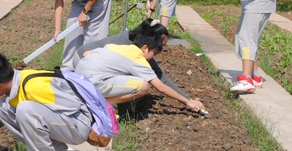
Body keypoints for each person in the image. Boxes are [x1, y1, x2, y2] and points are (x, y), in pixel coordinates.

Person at [74, 31, 205, 112]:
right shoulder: (138, 59)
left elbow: (86, 53)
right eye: (154, 53)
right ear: (145, 47)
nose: (153, 57)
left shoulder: (121, 47)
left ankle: (94, 98)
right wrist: (187, 101)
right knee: (143, 86)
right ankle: (102, 105)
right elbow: (161, 87)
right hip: (92, 82)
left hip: (78, 78)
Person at [73, 19, 190, 100]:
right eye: (161, 44)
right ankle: (105, 103)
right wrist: (186, 99)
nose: (161, 48)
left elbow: (90, 53)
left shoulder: (130, 39)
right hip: (84, 61)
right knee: (139, 83)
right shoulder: (137, 51)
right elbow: (160, 81)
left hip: (82, 61)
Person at [35, 0, 115, 70]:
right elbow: (58, 3)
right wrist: (57, 30)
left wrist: (85, 11)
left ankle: (90, 69)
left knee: (92, 34)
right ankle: (68, 68)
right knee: (71, 29)